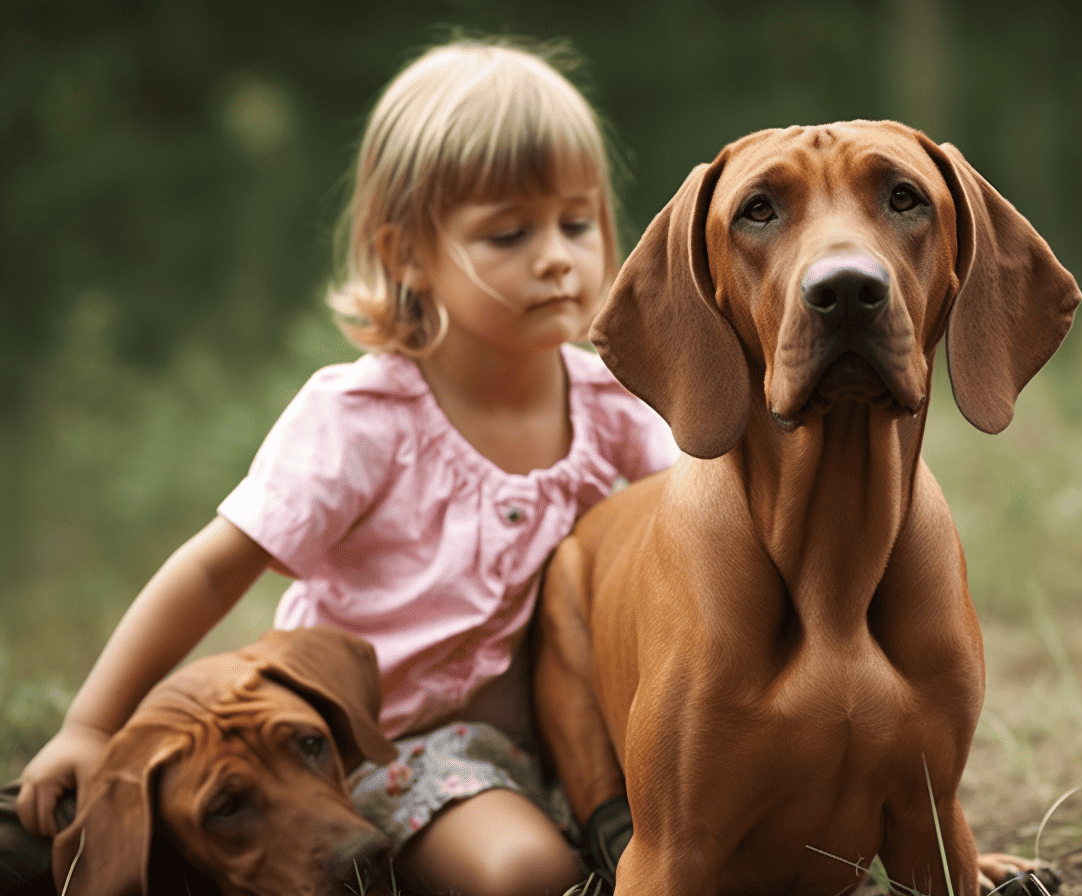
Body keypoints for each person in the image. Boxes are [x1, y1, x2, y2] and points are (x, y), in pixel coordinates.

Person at [3, 37, 675, 896]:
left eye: (577, 224)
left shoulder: (617, 408)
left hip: (582, 731)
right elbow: (214, 571)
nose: (556, 255)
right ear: (407, 257)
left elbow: (692, 539)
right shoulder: (367, 418)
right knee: (525, 874)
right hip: (390, 743)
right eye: (509, 233)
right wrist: (92, 725)